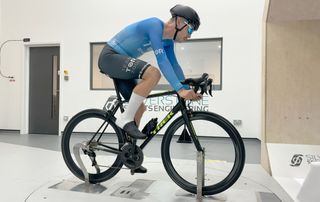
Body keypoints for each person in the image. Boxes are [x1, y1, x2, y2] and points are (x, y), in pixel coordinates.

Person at [98, 5, 202, 172]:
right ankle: (124, 120)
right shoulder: (155, 25)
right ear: (180, 22)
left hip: (123, 61)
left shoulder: (167, 42)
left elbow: (174, 64)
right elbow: (162, 62)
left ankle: (130, 154)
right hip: (110, 57)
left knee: (139, 107)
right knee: (153, 73)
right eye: (190, 30)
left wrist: (186, 87)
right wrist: (179, 90)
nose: (189, 36)